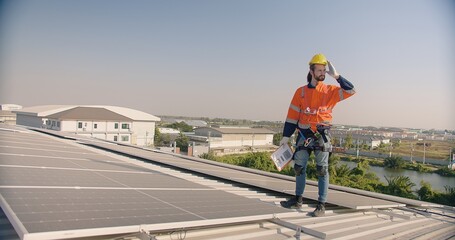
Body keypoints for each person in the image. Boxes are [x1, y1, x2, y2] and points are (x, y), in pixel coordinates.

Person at [279, 53, 356, 217]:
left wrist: (336, 76)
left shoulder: (330, 91)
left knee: (322, 170)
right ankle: (297, 199)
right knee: (299, 168)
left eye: (324, 70)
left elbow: (351, 90)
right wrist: (286, 137)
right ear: (311, 71)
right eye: (319, 70)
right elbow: (292, 116)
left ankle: (321, 205)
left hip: (321, 135)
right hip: (304, 134)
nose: (322, 73)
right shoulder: (300, 92)